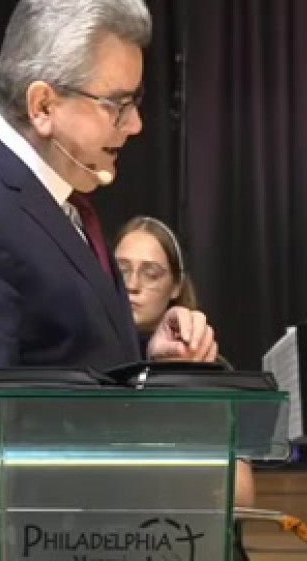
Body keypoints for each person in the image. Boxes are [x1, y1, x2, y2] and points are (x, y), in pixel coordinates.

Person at [0, 0, 219, 561]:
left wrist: (146, 357)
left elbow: (54, 366)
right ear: (43, 104)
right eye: (119, 104)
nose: (136, 125)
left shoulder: (47, 190)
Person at [112, 215, 256, 505]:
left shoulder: (208, 365)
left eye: (151, 274)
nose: (132, 284)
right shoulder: (91, 357)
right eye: (120, 270)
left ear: (176, 286)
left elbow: (240, 495)